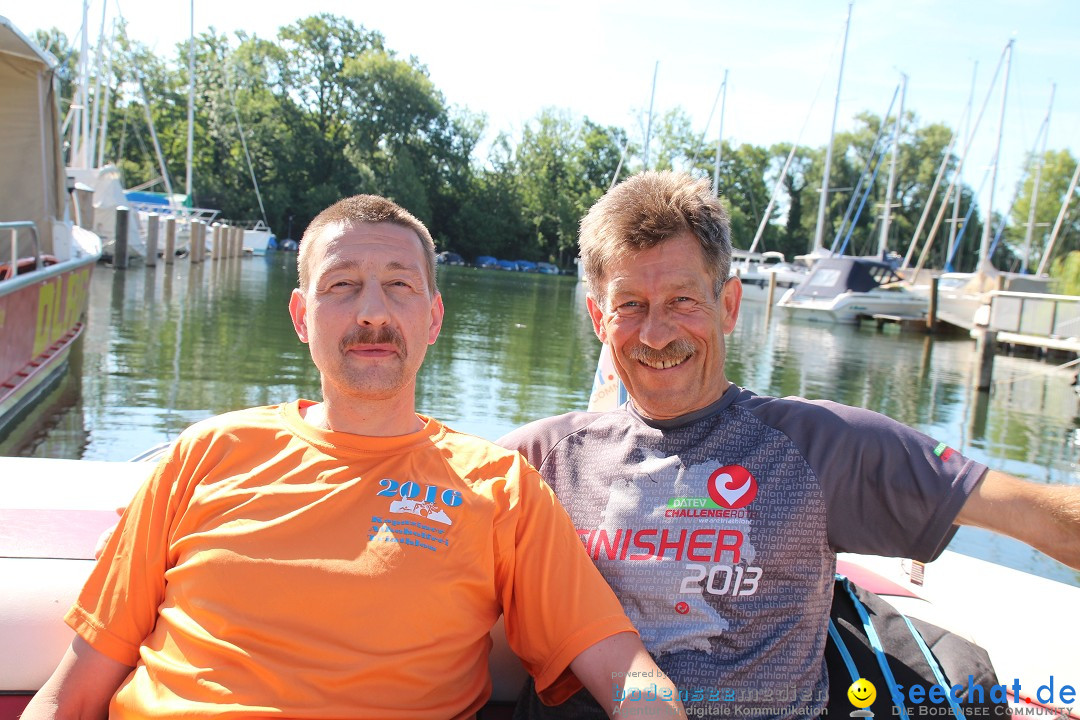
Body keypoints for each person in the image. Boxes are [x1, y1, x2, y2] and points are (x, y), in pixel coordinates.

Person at [23, 195, 685, 720]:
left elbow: (627, 672)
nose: (372, 311)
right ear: (301, 315)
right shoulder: (206, 455)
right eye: (342, 286)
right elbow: (72, 691)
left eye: (399, 286)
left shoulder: (499, 488)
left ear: (432, 318)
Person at [499, 171, 1080, 719]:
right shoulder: (544, 458)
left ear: (728, 305)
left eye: (682, 299)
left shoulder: (819, 446)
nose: (655, 333)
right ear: (600, 319)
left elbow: (1041, 517)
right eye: (631, 306)